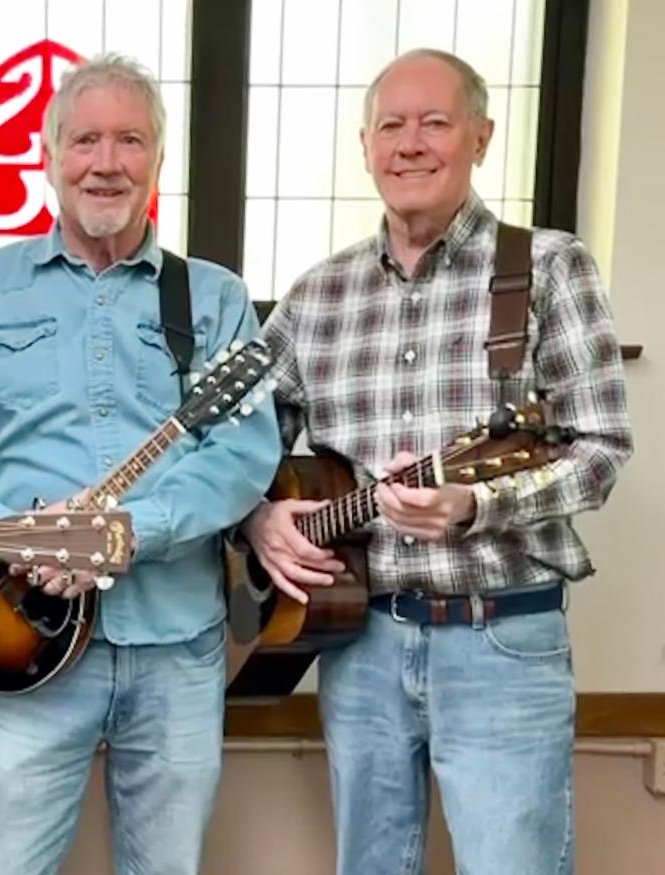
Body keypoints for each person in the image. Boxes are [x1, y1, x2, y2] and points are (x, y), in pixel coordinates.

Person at [241, 49, 633, 875]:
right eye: (391, 125)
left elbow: (600, 449)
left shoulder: (547, 267)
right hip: (360, 641)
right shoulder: (318, 295)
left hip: (503, 636)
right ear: (366, 145)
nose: (410, 143)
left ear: (481, 137)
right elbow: (238, 444)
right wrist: (259, 515)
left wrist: (477, 505)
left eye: (435, 123)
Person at [0, 54, 282, 875]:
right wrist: (10, 534)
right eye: (84, 141)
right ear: (48, 156)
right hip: (22, 636)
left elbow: (244, 452)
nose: (106, 162)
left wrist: (127, 530)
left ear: (158, 159)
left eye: (130, 140)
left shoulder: (215, 298)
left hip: (176, 644)